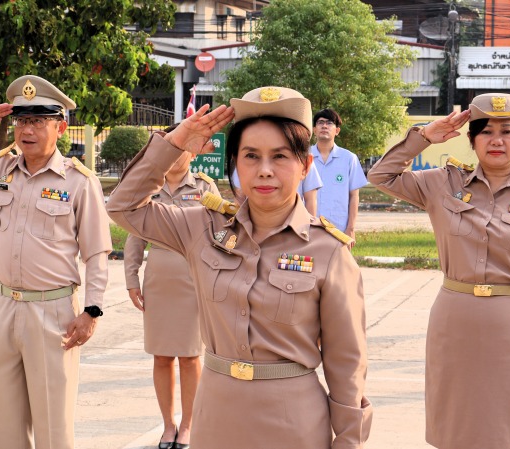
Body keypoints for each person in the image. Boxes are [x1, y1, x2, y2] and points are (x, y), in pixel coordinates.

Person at [108, 86, 371, 449]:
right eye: (250, 156)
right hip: (216, 416)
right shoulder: (200, 227)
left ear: (305, 165)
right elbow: (123, 207)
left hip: (293, 420)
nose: (264, 171)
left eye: (280, 156)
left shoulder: (328, 250)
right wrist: (177, 141)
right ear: (234, 166)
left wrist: (348, 442)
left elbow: (347, 365)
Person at [368, 93, 510, 449]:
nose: (496, 140)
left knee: (507, 428)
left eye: (507, 131)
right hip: (454, 323)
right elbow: (381, 175)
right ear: (472, 139)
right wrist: (425, 136)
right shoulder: (444, 183)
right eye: (486, 131)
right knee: (453, 426)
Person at [0, 75, 112, 449]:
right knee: (3, 423)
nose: (27, 130)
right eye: (21, 121)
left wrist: (91, 310)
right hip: (1, 308)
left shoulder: (78, 181)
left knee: (52, 427)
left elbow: (96, 252)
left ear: (60, 127)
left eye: (38, 121)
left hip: (53, 312)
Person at [123, 145, 220, 449]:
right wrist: (131, 278)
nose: (176, 156)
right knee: (162, 356)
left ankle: (189, 425)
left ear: (193, 155)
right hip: (160, 279)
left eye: (183, 150)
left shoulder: (204, 186)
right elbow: (134, 233)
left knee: (191, 356)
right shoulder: (149, 187)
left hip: (195, 279)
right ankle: (169, 425)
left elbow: (221, 231)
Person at [310, 109, 368, 247]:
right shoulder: (303, 157)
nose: (324, 126)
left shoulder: (349, 159)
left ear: (337, 130)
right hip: (308, 228)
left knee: (339, 268)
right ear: (314, 130)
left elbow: (354, 196)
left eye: (329, 123)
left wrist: (351, 228)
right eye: (320, 122)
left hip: (339, 229)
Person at [230, 160, 322, 215]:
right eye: (252, 156)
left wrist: (309, 231)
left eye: (280, 156)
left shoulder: (300, 155)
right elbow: (240, 196)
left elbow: (310, 199)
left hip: (293, 225)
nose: (265, 172)